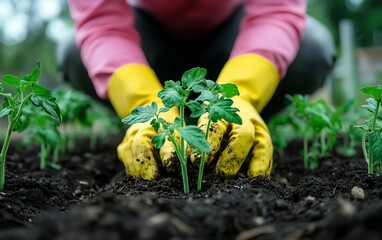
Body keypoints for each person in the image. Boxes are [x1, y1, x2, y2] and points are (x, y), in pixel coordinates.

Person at [60, 0, 335, 180]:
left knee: (312, 48)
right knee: (74, 50)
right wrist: (141, 100)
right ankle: (146, 128)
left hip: (233, 41)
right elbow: (102, 23)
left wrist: (243, 91)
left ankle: (240, 124)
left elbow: (276, 9)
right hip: (151, 47)